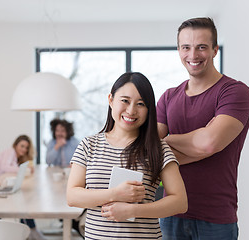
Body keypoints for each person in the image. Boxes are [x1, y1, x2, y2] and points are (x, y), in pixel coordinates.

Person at [156, 17, 249, 240]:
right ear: (178, 50)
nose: (193, 55)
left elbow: (209, 142)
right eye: (186, 47)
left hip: (216, 215)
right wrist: (199, 144)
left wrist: (168, 141)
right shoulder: (169, 97)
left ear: (215, 50)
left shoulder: (234, 92)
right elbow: (149, 150)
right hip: (170, 212)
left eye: (201, 47)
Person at [67, 72, 188, 239]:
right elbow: (72, 197)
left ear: (149, 110)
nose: (131, 110)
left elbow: (180, 202)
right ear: (111, 100)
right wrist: (116, 194)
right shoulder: (89, 145)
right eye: (125, 101)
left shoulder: (158, 148)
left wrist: (133, 210)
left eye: (140, 104)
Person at [0, 135, 46, 240]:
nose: (24, 149)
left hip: (4, 185)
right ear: (15, 145)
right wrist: (22, 169)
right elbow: (5, 167)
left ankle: (31, 231)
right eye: (22, 146)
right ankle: (32, 231)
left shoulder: (16, 157)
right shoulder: (10, 151)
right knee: (23, 203)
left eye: (26, 147)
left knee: (24, 201)